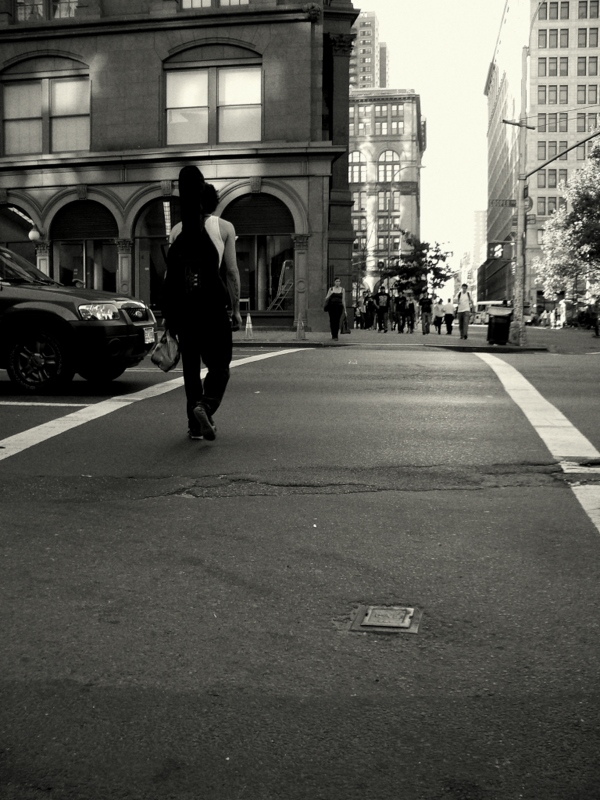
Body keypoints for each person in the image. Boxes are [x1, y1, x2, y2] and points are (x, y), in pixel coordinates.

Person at [162, 165, 242, 441]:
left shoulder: (176, 232)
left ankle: (194, 426)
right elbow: (231, 272)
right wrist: (236, 308)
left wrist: (168, 314)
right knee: (220, 365)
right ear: (214, 203)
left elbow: (169, 276)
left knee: (191, 369)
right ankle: (206, 406)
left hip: (184, 310)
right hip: (212, 306)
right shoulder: (225, 227)